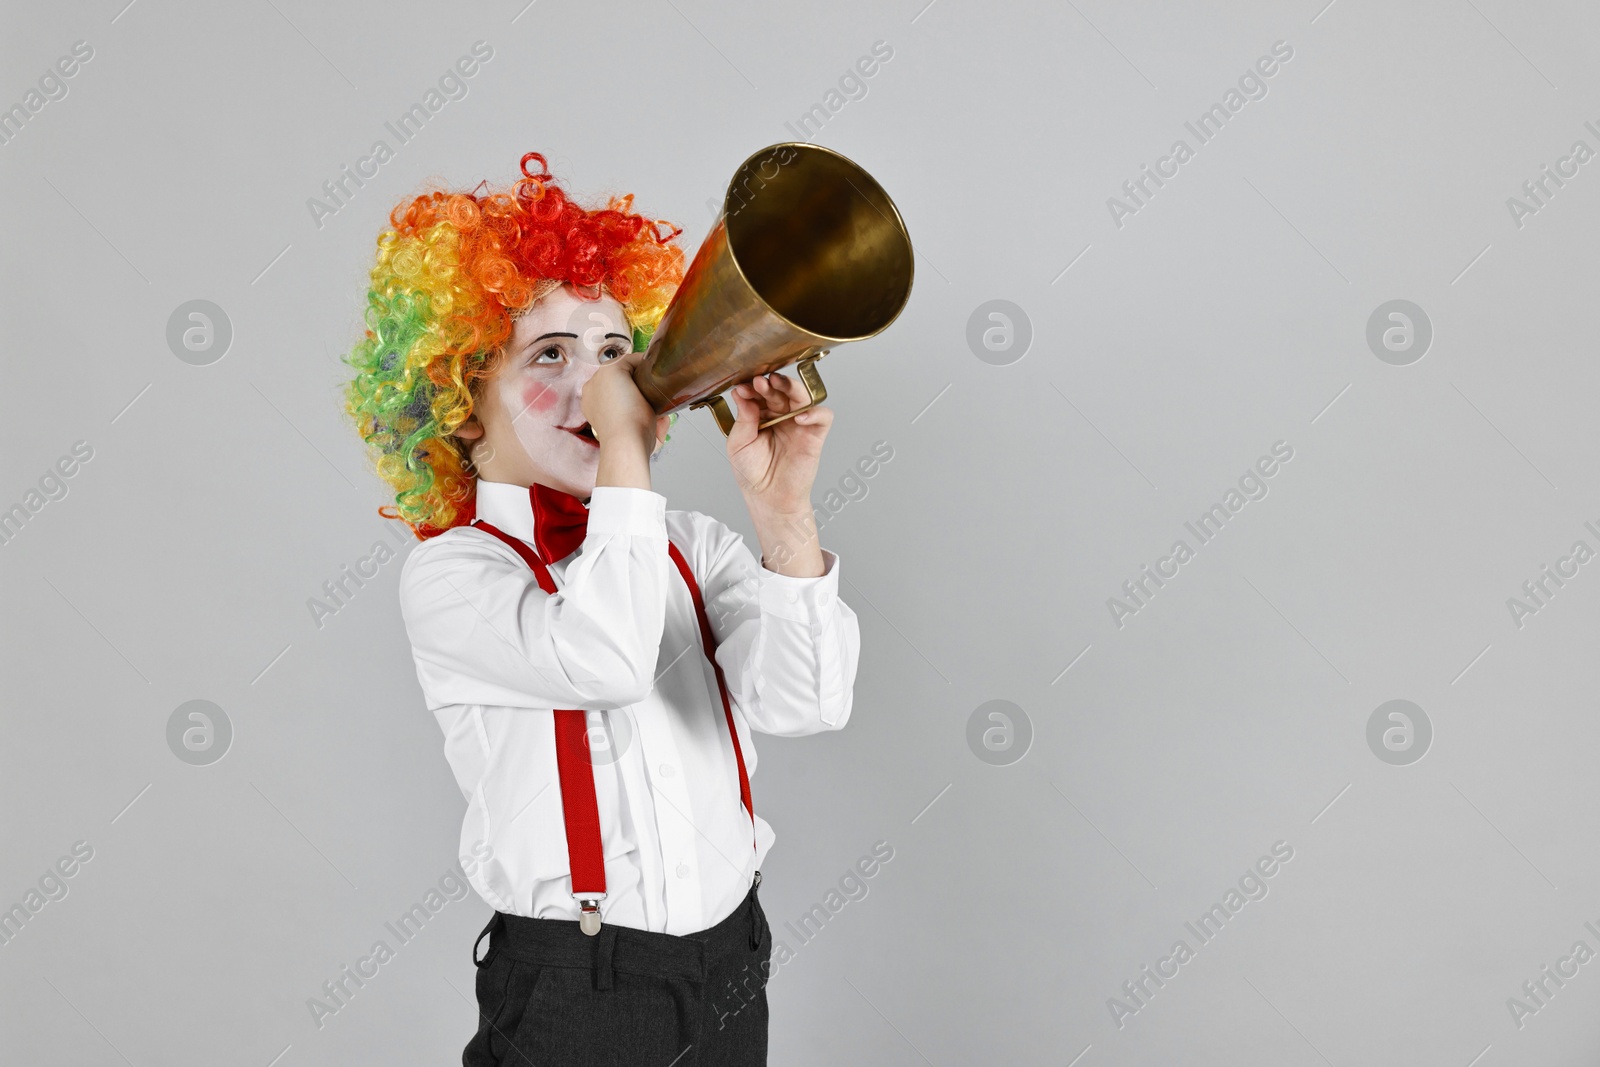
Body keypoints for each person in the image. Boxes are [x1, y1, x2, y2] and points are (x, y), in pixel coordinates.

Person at [340, 150, 861, 1065]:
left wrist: (785, 513)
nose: (601, 383)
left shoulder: (689, 546)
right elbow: (605, 661)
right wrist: (627, 449)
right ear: (464, 403)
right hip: (579, 990)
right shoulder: (454, 576)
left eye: (617, 353)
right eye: (552, 355)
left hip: (734, 954)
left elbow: (806, 704)